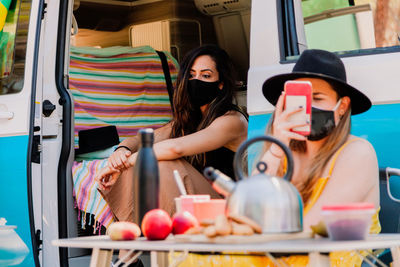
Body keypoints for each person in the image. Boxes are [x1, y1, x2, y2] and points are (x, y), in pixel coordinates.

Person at [176, 49, 380, 267]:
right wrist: (276, 146)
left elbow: (316, 228)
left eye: (318, 98)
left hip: (325, 258)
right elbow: (247, 208)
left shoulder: (357, 151)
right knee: (190, 259)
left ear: (342, 107)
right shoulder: (284, 152)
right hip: (280, 252)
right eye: (300, 99)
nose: (307, 108)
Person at [95, 44, 248, 222]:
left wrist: (123, 164)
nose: (196, 81)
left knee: (163, 162)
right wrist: (121, 151)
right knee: (148, 158)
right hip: (201, 202)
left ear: (221, 84)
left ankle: (155, 232)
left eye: (206, 75)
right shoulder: (190, 120)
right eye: (191, 75)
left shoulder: (232, 120)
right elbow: (142, 139)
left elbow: (175, 148)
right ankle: (141, 229)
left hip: (230, 207)